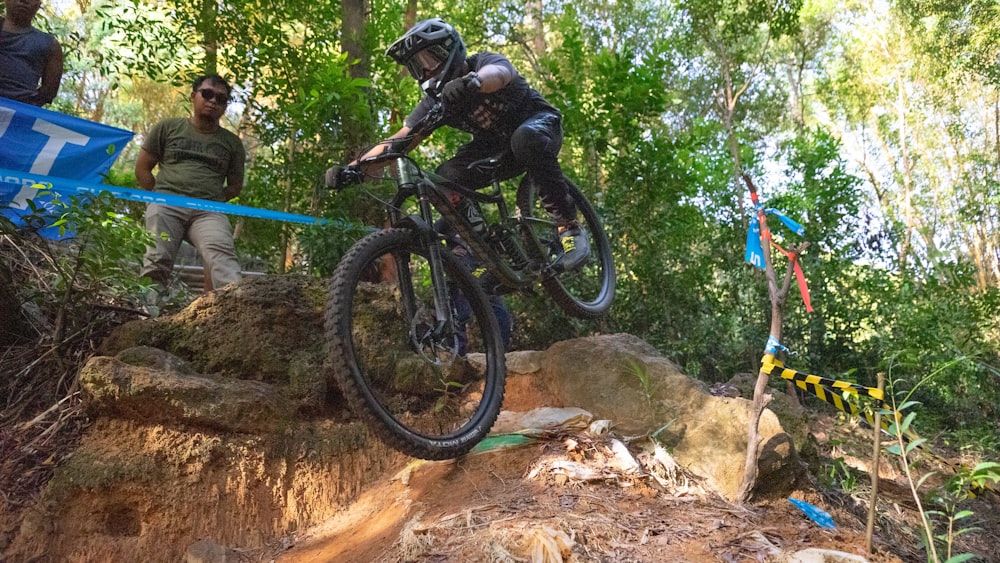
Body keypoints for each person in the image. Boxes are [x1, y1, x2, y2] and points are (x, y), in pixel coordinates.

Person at [340, 17, 589, 271]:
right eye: (417, 66)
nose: (425, 71)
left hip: (538, 126)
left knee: (523, 138)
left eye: (429, 60)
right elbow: (401, 139)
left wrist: (474, 82)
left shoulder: (484, 63)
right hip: (496, 149)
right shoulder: (435, 102)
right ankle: (487, 252)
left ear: (450, 50)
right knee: (446, 177)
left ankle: (568, 225)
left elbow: (500, 74)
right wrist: (355, 168)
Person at [136, 74, 246, 295]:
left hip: (209, 210)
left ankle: (235, 315)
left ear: (225, 106)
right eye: (207, 94)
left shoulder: (232, 143)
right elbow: (142, 169)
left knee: (223, 259)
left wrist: (211, 201)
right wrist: (159, 197)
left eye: (221, 99)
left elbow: (235, 186)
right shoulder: (168, 128)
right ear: (193, 96)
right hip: (166, 202)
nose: (213, 101)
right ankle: (147, 315)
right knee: (157, 260)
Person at [435, 217, 512, 355]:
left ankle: (500, 354)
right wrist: (447, 253)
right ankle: (458, 356)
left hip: (483, 273)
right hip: (462, 275)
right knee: (461, 316)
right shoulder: (445, 220)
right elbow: (428, 237)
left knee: (500, 314)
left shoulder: (473, 215)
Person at [0, 0, 63, 106]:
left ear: (39, 5)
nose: (24, 1)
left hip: (17, 115)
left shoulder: (50, 45)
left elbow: (48, 93)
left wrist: (25, 108)